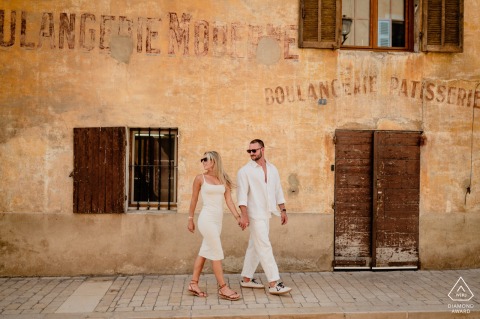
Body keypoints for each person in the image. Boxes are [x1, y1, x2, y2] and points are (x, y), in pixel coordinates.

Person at [237, 139, 292, 295]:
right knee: (264, 246)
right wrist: (244, 216)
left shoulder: (273, 169)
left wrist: (283, 209)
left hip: (267, 213)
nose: (251, 154)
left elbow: (277, 190)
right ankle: (274, 282)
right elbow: (241, 196)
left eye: (254, 150)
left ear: (263, 150)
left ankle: (246, 279)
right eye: (249, 151)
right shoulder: (244, 171)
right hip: (254, 214)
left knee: (255, 245)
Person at [187, 151, 242, 301]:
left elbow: (229, 201)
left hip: (218, 222)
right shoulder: (200, 178)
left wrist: (238, 217)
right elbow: (193, 199)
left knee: (205, 251)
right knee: (216, 251)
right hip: (206, 220)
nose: (203, 162)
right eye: (202, 159)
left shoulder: (223, 179)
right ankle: (223, 287)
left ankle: (193, 283)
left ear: (214, 161)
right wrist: (190, 218)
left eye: (206, 159)